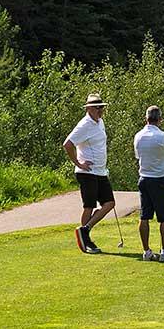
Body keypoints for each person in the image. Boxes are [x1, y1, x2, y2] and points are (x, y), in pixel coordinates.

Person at [63, 93, 114, 254]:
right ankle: (85, 240)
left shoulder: (100, 122)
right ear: (89, 108)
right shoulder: (84, 125)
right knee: (89, 206)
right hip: (87, 172)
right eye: (98, 108)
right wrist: (78, 163)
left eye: (102, 107)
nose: (101, 110)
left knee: (109, 203)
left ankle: (85, 230)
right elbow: (68, 144)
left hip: (100, 172)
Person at [133, 105, 164, 263]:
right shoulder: (163, 137)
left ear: (146, 119)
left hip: (144, 179)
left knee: (144, 216)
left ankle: (146, 251)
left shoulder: (138, 136)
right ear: (160, 119)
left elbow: (138, 157)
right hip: (159, 179)